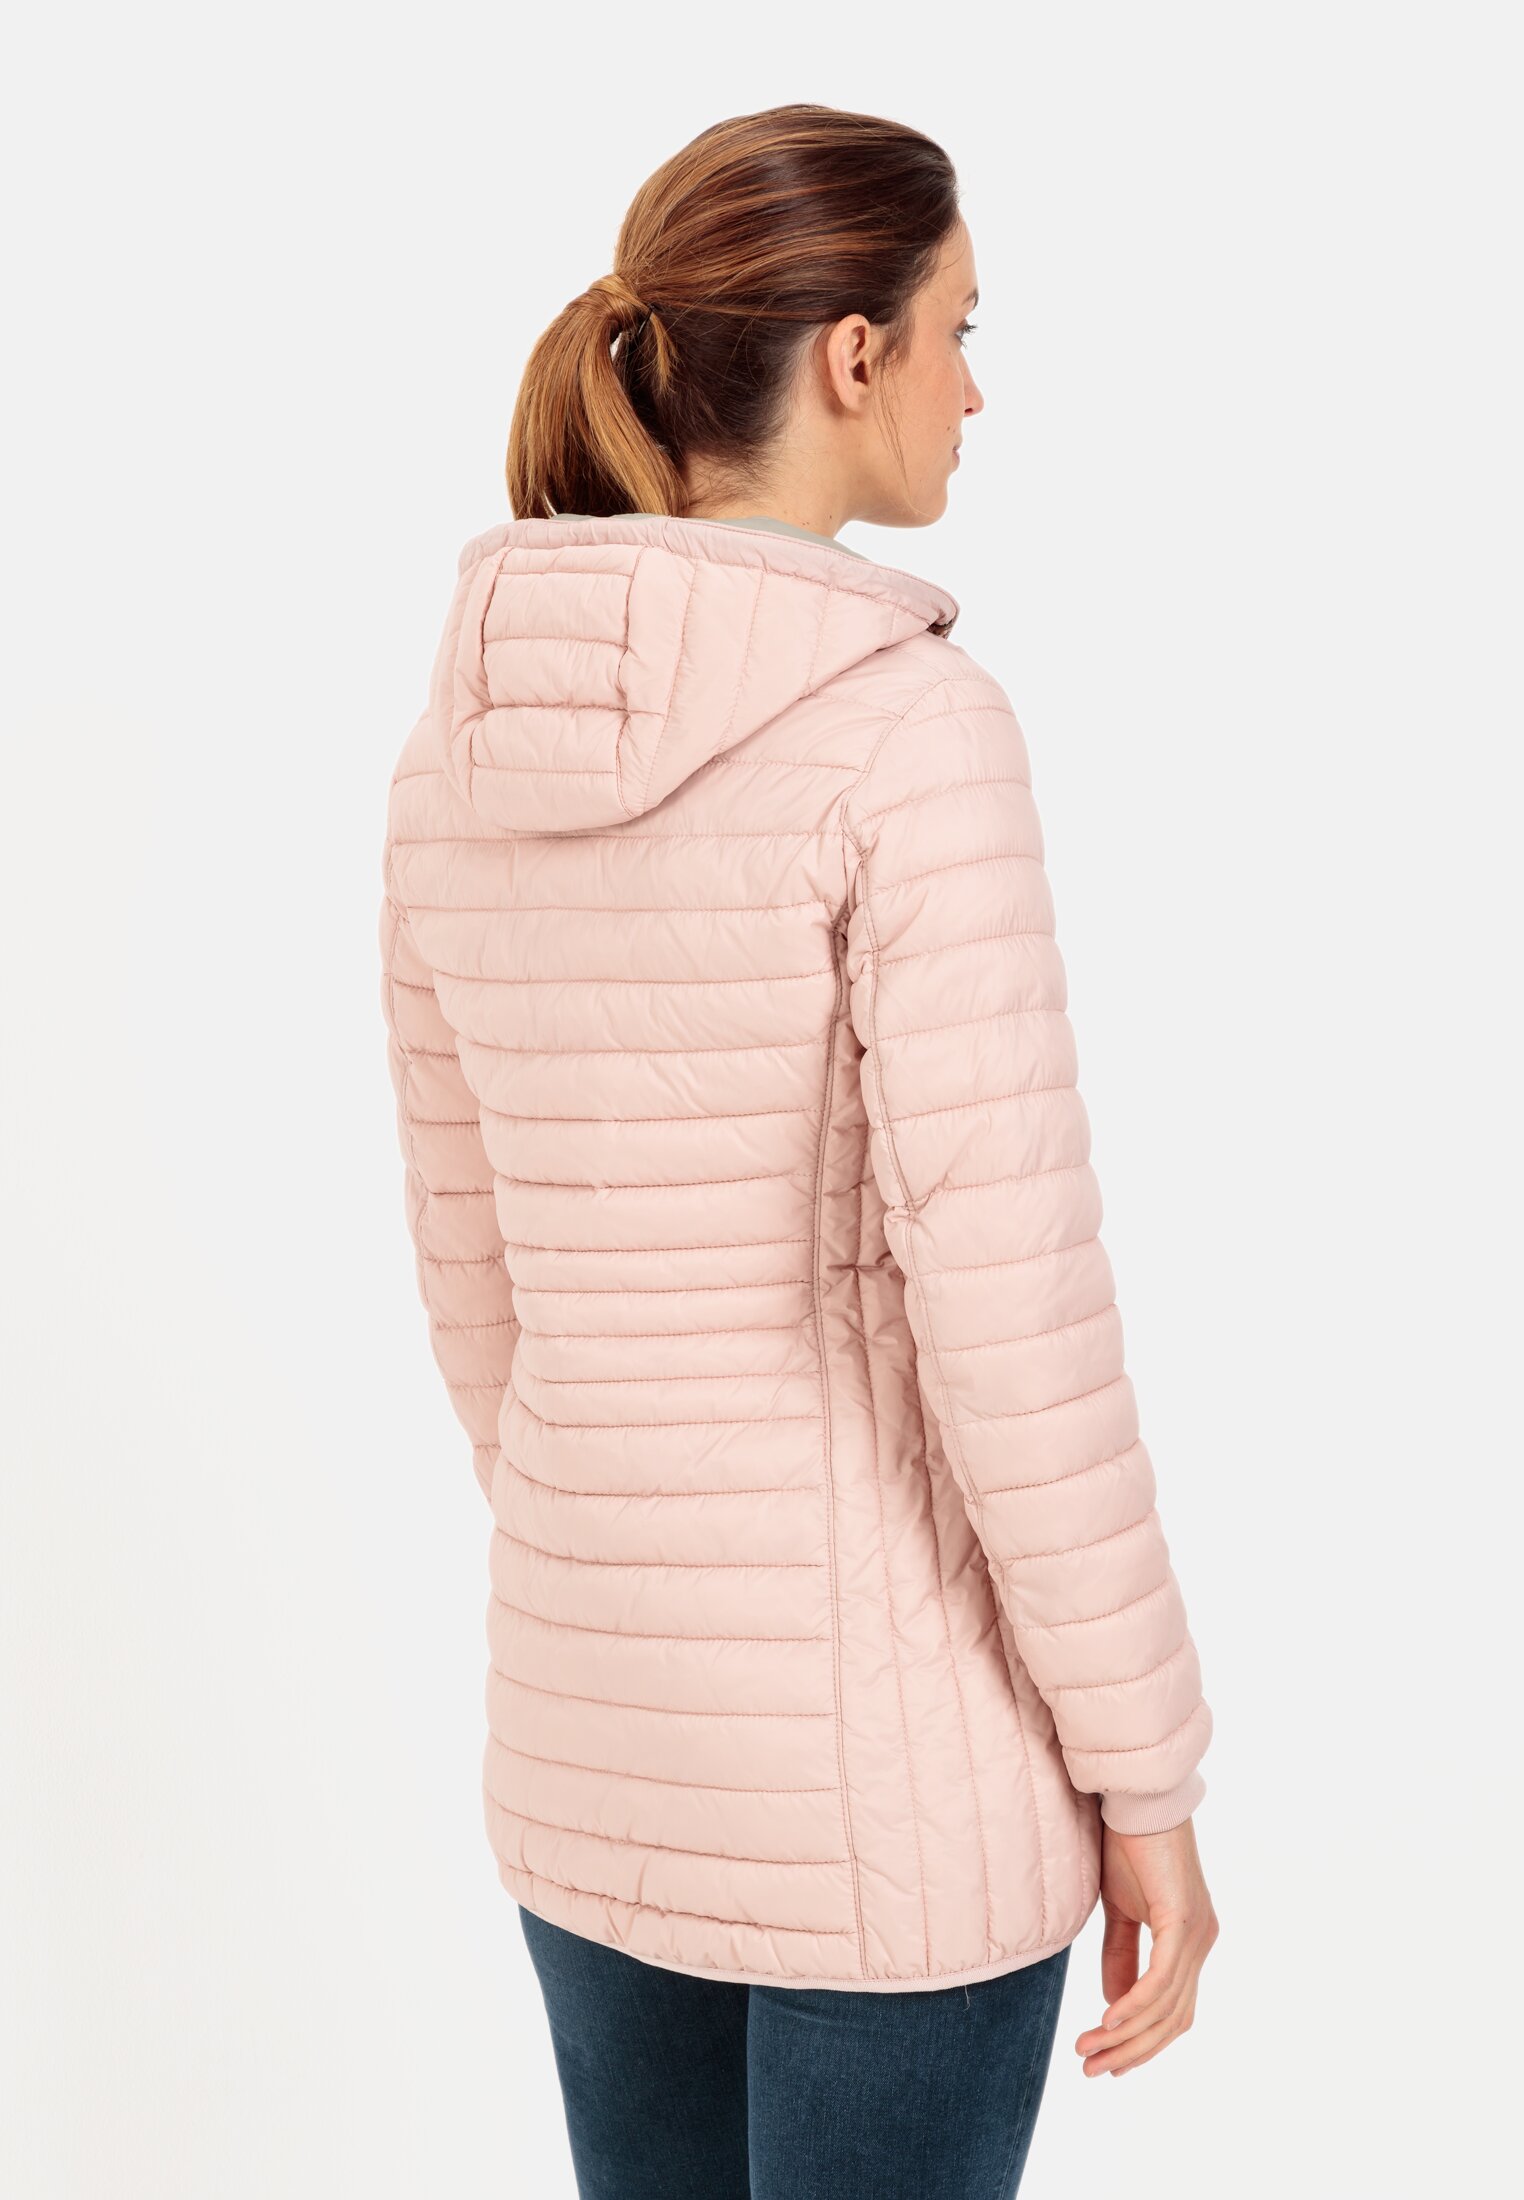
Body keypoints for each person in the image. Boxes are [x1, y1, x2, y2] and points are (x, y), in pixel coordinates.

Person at [378, 100, 1219, 2200]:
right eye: (956, 330)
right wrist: (1146, 1770)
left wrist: (631, 1565)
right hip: (892, 1799)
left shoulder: (453, 753)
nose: (973, 389)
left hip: (591, 1744)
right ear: (852, 356)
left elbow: (478, 1289)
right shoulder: (914, 735)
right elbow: (1015, 1320)